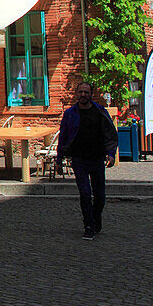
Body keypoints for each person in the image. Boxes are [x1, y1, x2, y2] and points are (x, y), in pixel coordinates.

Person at [56, 82, 118, 240]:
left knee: (100, 195)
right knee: (85, 193)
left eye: (86, 92)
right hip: (79, 159)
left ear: (91, 94)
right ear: (77, 94)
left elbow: (109, 133)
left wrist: (111, 153)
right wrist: (59, 159)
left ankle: (96, 218)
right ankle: (88, 226)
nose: (83, 95)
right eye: (80, 92)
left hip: (97, 158)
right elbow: (63, 137)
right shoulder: (70, 114)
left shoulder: (100, 112)